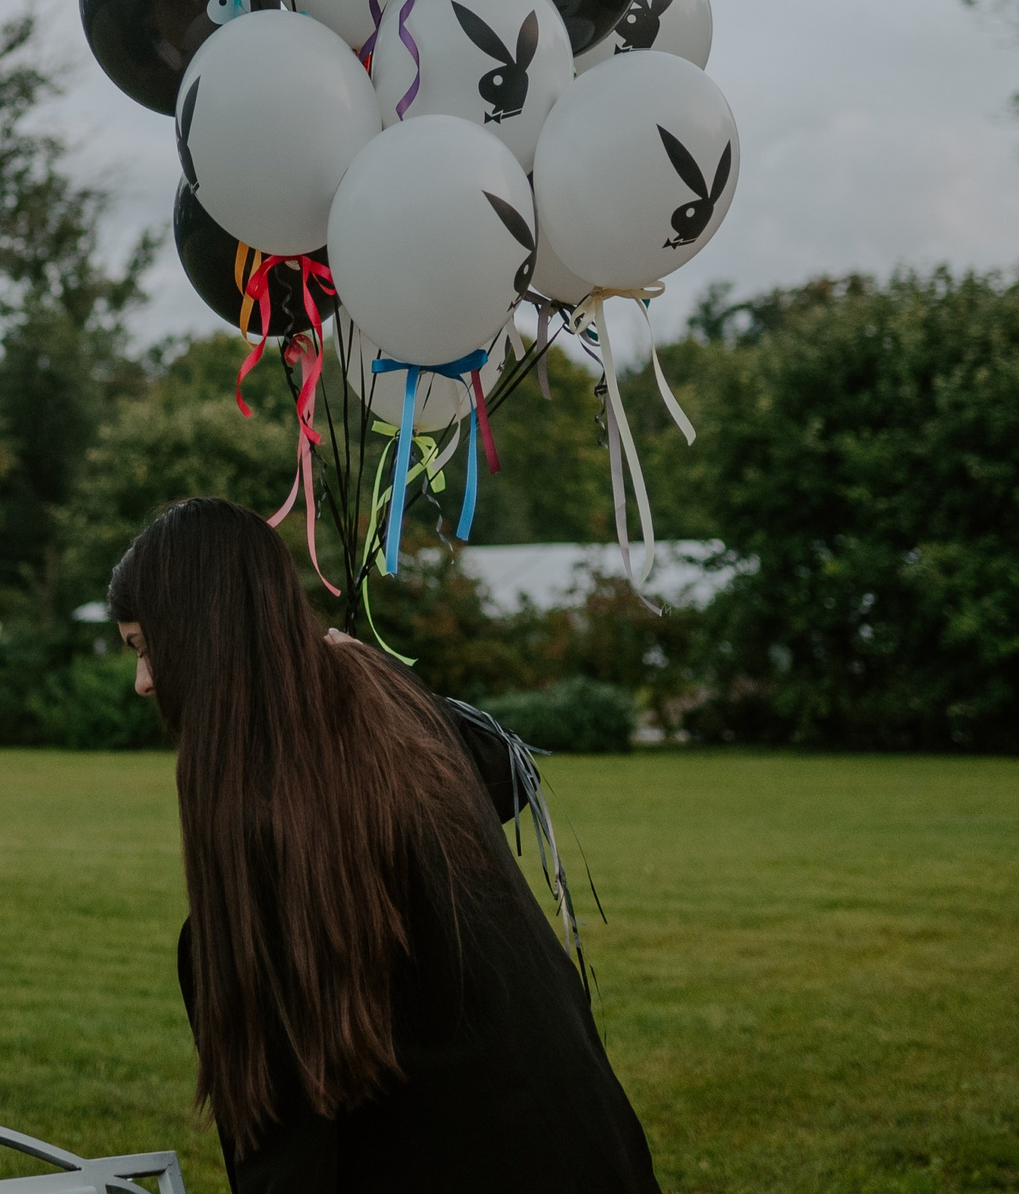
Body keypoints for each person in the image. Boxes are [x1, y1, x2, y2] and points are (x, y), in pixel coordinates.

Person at [107, 496, 660, 1193]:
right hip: (591, 1151)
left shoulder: (273, 841)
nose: (143, 681)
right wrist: (390, 685)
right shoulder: (384, 738)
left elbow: (287, 1136)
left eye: (146, 647)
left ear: (202, 637)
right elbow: (496, 766)